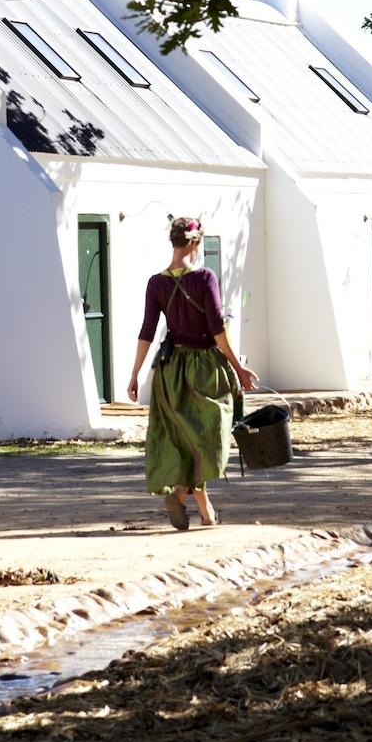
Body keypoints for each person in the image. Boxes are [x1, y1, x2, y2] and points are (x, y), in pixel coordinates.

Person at [127, 214, 259, 530]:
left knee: (184, 441)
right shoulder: (204, 279)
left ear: (174, 242)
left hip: (169, 371)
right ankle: (181, 493)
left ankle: (206, 511)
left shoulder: (156, 283)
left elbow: (147, 330)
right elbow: (217, 329)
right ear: (196, 243)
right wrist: (238, 368)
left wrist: (134, 375)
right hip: (203, 369)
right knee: (209, 438)